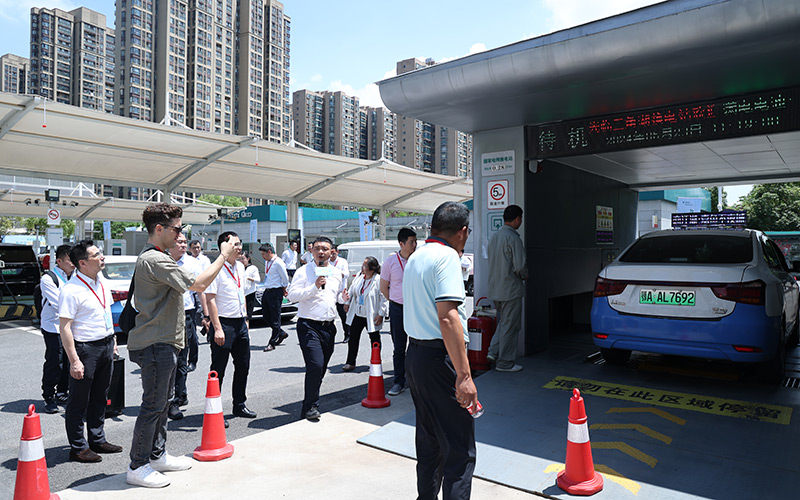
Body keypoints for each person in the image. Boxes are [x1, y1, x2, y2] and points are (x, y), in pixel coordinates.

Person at [126, 203, 235, 489]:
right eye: (177, 228)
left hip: (165, 341)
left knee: (163, 402)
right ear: (159, 229)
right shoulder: (155, 260)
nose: (180, 234)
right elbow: (198, 284)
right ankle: (137, 465)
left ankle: (157, 455)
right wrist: (223, 255)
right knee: (153, 405)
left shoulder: (160, 256)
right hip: (155, 343)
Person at [403, 201, 476, 500]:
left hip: (416, 357)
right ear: (462, 232)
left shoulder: (416, 256)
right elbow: (448, 317)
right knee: (459, 450)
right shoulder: (446, 257)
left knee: (429, 441)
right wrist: (464, 375)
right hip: (439, 360)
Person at [59, 240, 122, 463]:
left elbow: (105, 311)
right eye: (97, 255)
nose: (102, 257)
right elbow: (65, 327)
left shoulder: (101, 281)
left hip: (105, 344)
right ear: (82, 263)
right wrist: (74, 360)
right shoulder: (71, 290)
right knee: (79, 400)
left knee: (100, 396)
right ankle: (78, 447)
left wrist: (112, 338)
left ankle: (97, 439)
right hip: (85, 349)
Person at [287, 236, 346, 421]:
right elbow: (292, 296)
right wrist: (314, 287)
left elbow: (337, 298)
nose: (321, 252)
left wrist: (345, 298)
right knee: (315, 365)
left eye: (325, 249)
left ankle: (309, 401)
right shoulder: (303, 272)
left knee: (321, 368)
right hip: (308, 325)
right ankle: (312, 405)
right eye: (318, 248)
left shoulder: (336, 273)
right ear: (312, 251)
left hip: (329, 326)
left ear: (332, 252)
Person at [207, 231, 257, 422]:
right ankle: (214, 411)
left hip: (240, 322)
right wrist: (217, 328)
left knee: (243, 366)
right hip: (223, 323)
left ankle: (239, 404)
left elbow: (240, 293)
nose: (239, 248)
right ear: (224, 247)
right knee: (218, 369)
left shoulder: (240, 268)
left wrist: (245, 318)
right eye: (235, 245)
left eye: (239, 244)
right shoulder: (216, 269)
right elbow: (210, 299)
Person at [166, 233, 203, 421]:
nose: (182, 245)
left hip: (186, 315)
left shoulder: (193, 263)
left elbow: (200, 290)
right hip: (166, 316)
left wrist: (204, 315)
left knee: (182, 359)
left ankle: (177, 399)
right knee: (168, 360)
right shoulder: (161, 261)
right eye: (178, 242)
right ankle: (168, 398)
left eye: (184, 242)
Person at [487, 204, 527, 373]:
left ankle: (492, 352)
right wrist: (526, 275)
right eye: (521, 219)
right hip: (510, 290)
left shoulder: (494, 237)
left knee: (503, 323)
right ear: (517, 219)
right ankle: (505, 363)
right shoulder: (514, 239)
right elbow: (520, 266)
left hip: (496, 290)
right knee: (510, 326)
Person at [380, 228, 417, 396]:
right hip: (398, 308)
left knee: (418, 346)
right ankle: (398, 381)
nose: (414, 245)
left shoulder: (418, 260)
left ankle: (416, 381)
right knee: (399, 347)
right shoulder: (390, 262)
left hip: (416, 309)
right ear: (401, 244)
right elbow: (383, 287)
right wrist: (394, 300)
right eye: (411, 242)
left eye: (415, 241)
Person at [40, 243, 74, 414]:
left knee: (69, 361)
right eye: (69, 260)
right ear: (59, 261)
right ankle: (48, 395)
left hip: (71, 326)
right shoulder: (48, 278)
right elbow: (59, 304)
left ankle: (62, 392)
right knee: (56, 362)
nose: (73, 263)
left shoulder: (75, 276)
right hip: (53, 326)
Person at [341, 257, 387, 371]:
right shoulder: (360, 277)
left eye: (365, 266)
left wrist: (381, 314)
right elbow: (351, 291)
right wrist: (347, 302)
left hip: (371, 314)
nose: (362, 267)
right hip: (358, 312)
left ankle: (375, 361)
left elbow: (384, 298)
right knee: (353, 338)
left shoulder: (378, 280)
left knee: (374, 339)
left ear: (372, 269)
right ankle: (350, 362)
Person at [259, 243, 289, 352]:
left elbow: (285, 277)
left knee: (275, 318)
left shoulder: (278, 262)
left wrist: (284, 288)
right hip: (267, 290)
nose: (262, 256)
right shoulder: (267, 262)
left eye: (263, 254)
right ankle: (280, 333)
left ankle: (272, 343)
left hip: (276, 291)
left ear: (269, 252)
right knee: (266, 316)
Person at [330, 245, 350, 343]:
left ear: (337, 252)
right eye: (330, 253)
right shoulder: (326, 262)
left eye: (334, 253)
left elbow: (346, 274)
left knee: (343, 316)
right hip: (330, 292)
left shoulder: (342, 262)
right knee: (330, 315)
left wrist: (334, 272)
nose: (332, 256)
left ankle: (347, 334)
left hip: (340, 292)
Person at [240, 251, 260, 329]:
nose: (241, 261)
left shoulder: (253, 268)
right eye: (240, 259)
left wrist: (250, 278)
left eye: (243, 259)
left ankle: (246, 332)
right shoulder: (239, 267)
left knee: (247, 315)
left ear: (248, 259)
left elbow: (257, 280)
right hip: (241, 293)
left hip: (249, 293)